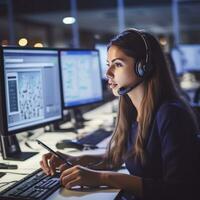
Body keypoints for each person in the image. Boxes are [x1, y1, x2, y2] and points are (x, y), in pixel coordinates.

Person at [40, 28, 200, 200]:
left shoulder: (171, 114)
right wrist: (75, 159)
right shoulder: (131, 109)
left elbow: (179, 191)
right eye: (109, 65)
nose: (107, 73)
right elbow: (120, 157)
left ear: (143, 67)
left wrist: (103, 178)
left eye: (118, 64)